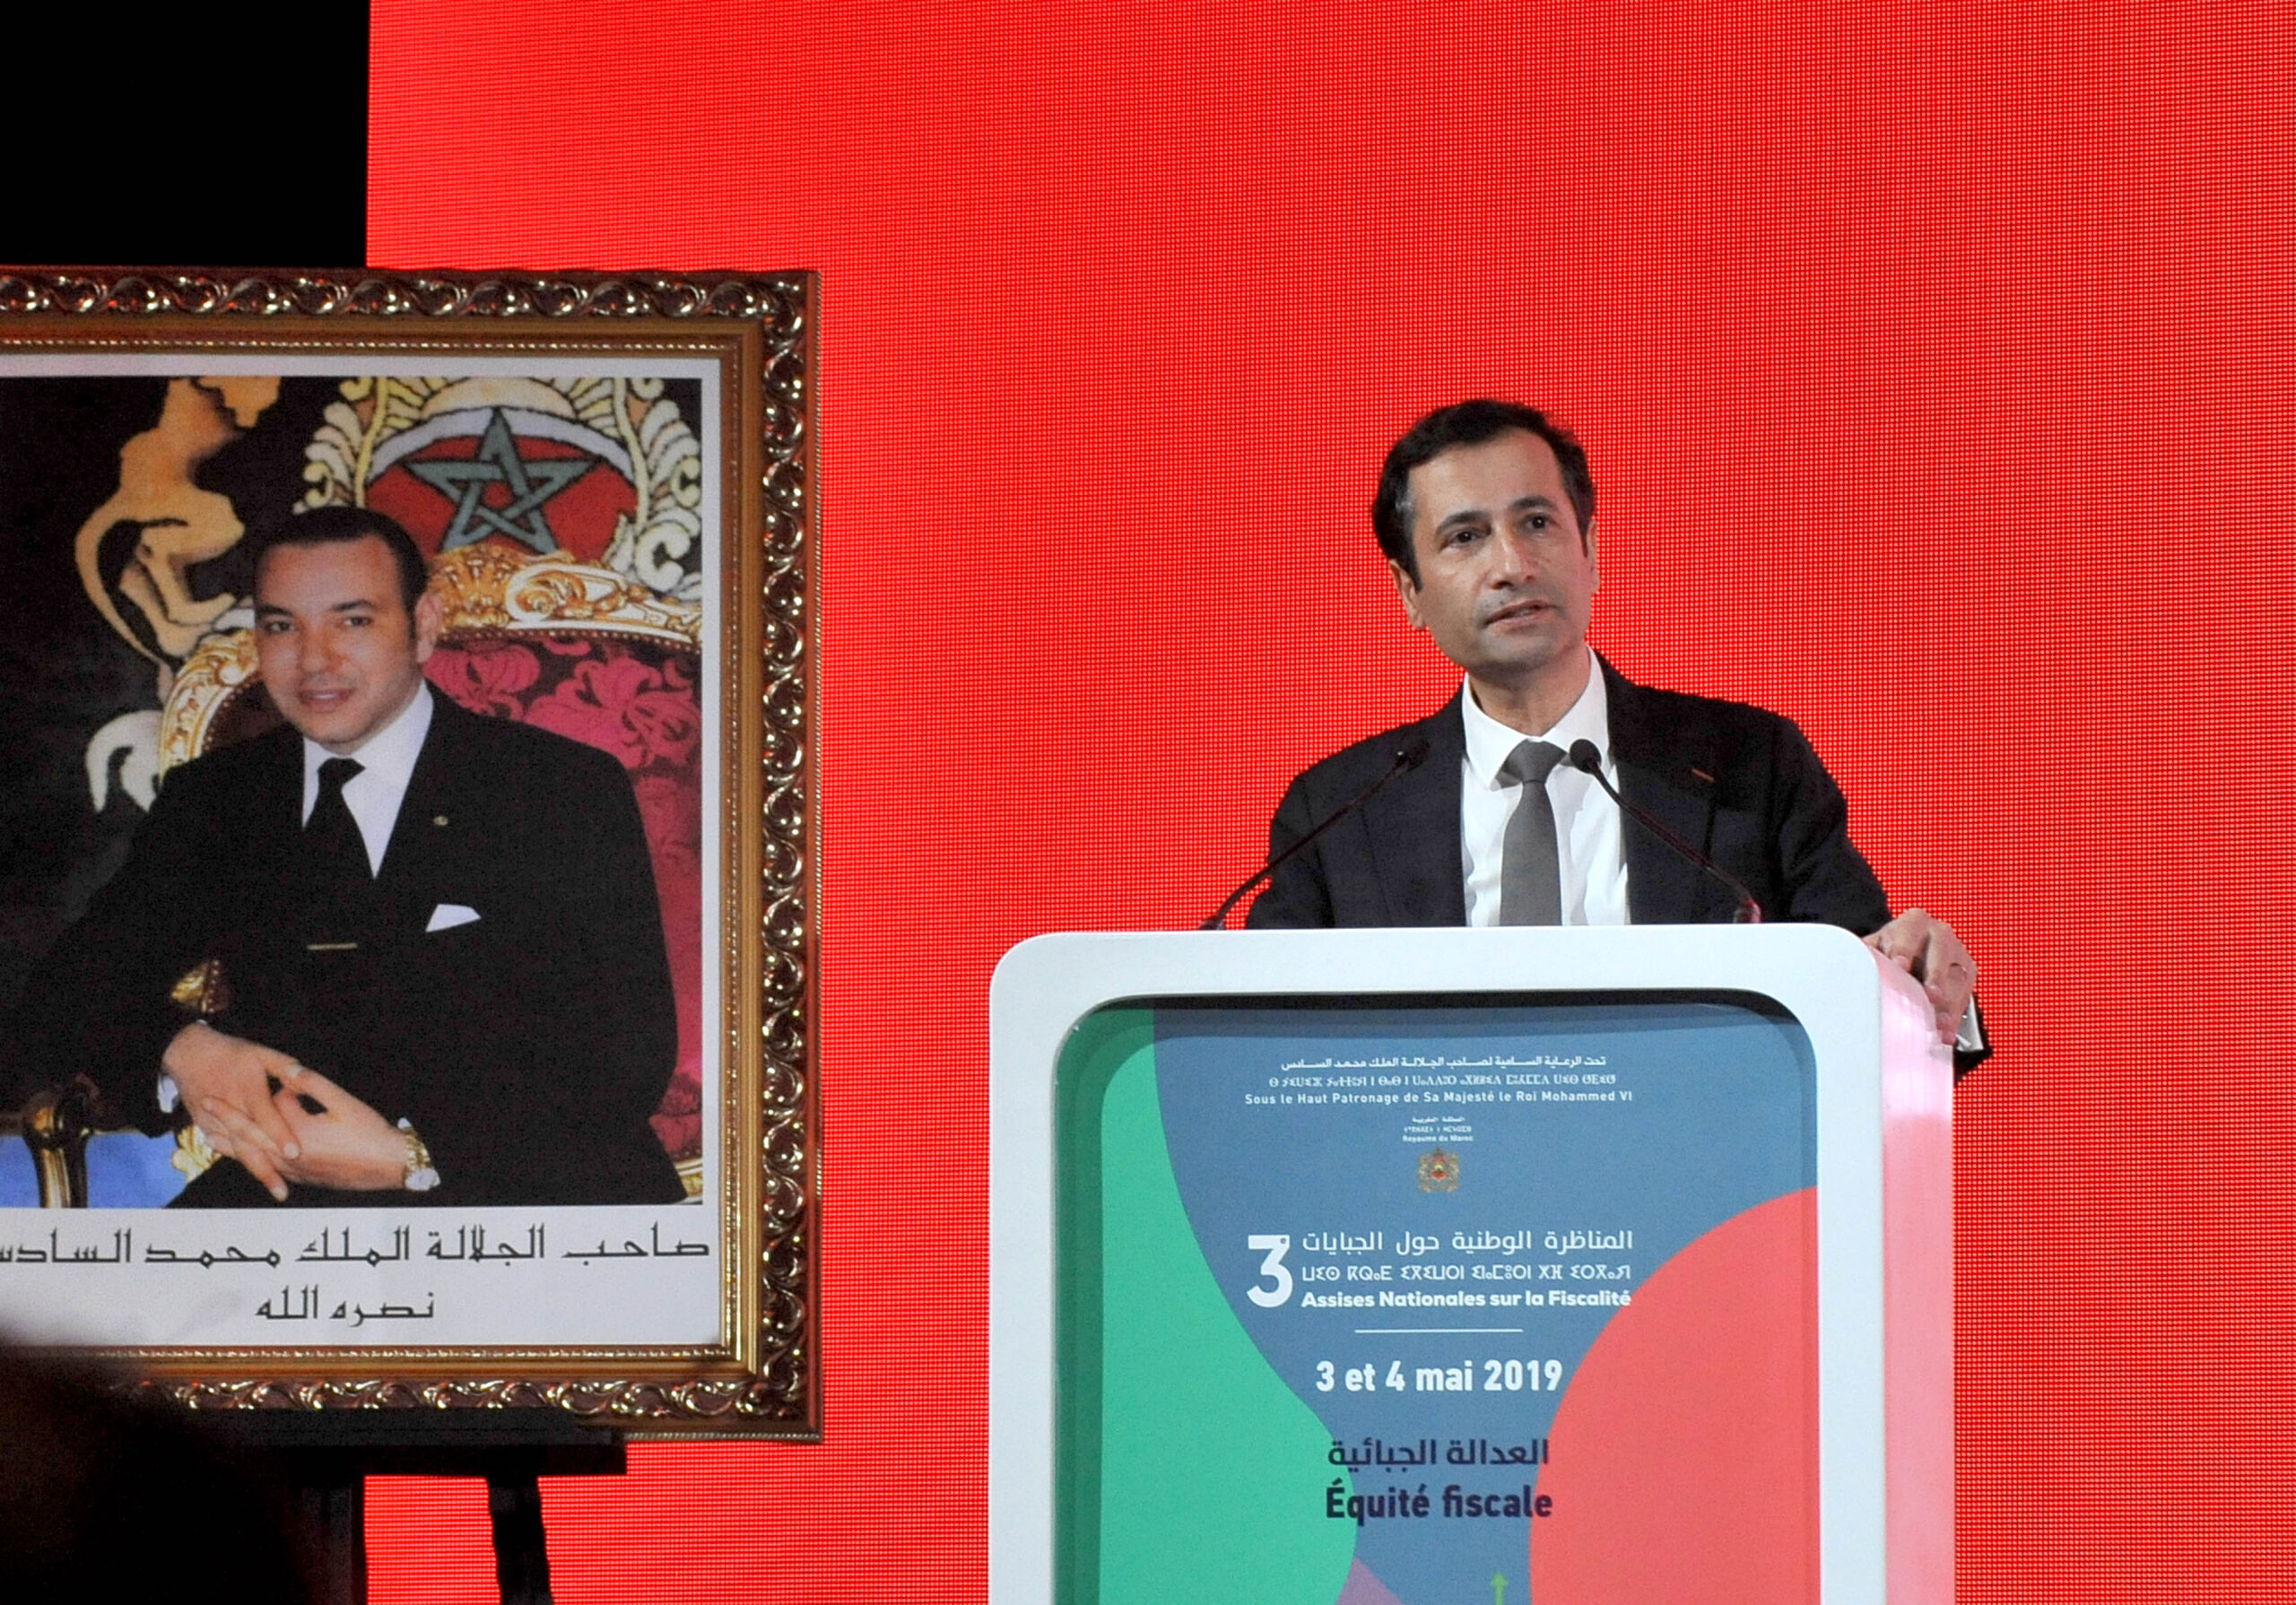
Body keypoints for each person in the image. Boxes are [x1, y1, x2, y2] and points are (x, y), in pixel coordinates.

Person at [1248, 398, 1987, 1071]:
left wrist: (1926, 986)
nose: (1511, 565)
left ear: (1591, 550)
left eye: (1537, 523)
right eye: (1465, 537)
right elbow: (1255, 1052)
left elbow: (1877, 1003)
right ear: (1410, 591)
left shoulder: (1749, 767)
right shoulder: (1338, 814)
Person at [10, 507, 684, 1204]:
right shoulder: (218, 798)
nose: (314, 660)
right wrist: (182, 1050)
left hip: (526, 1186)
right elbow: (64, 993)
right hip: (289, 1193)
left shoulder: (557, 787)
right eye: (281, 626)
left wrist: (411, 1157)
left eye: (352, 621)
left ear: (423, 626)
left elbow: (626, 1056)